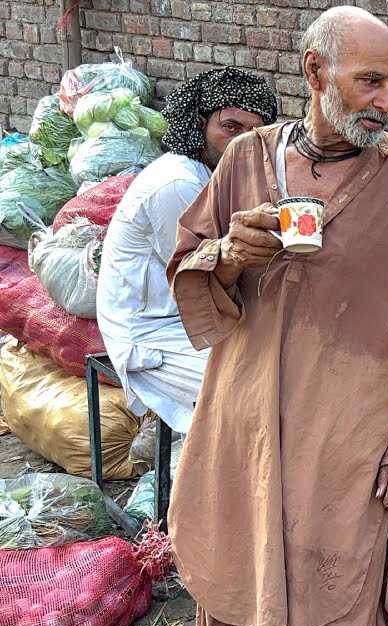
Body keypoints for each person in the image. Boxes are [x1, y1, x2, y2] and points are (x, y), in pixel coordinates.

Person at [165, 7, 388, 626]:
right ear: (314, 72)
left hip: (351, 441)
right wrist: (232, 255)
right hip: (245, 433)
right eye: (370, 82)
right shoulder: (244, 160)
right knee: (235, 617)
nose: (386, 103)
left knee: (346, 623)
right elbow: (187, 266)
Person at [96, 67, 278, 434]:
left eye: (253, 132)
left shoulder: (213, 174)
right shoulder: (178, 183)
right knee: (259, 392)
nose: (241, 142)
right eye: (230, 127)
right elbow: (198, 280)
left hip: (188, 319)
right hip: (153, 333)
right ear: (200, 124)